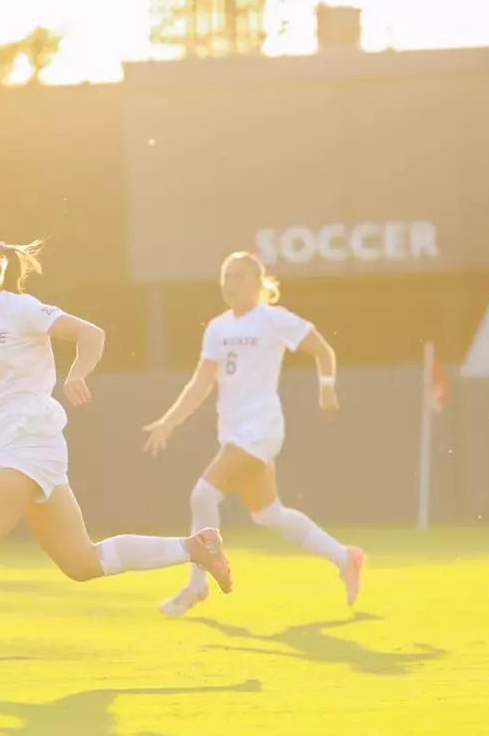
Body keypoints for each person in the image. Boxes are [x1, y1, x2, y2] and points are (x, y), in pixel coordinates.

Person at [0, 234, 233, 685]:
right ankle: (194, 548)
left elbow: (91, 333)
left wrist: (77, 373)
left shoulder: (21, 309)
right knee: (82, 563)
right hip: (27, 447)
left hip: (27, 440)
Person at [143, 251, 365, 616]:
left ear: (260, 283)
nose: (231, 284)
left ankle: (196, 586)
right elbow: (201, 383)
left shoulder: (273, 320)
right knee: (268, 515)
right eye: (226, 277)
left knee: (203, 496)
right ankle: (346, 558)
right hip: (234, 431)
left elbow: (323, 350)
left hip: (261, 428)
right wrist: (169, 421)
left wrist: (326, 386)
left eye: (240, 277)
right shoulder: (218, 328)